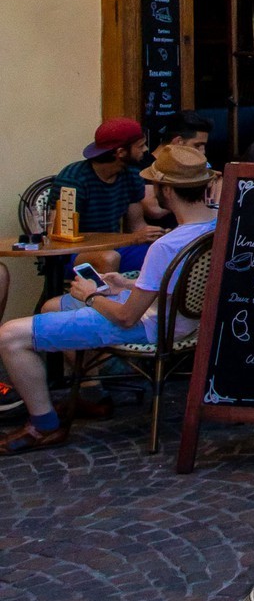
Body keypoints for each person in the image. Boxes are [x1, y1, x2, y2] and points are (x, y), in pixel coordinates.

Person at [0, 144, 217, 455]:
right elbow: (175, 286)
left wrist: (91, 297)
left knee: (9, 336)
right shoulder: (216, 227)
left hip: (153, 327)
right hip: (187, 321)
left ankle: (44, 426)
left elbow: (127, 318)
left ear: (166, 190)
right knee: (51, 307)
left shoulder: (167, 245)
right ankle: (91, 392)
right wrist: (119, 286)